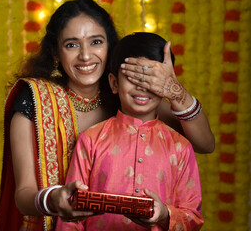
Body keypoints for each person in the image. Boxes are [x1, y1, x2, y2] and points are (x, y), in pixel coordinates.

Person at [0, 0, 213, 231]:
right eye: (71, 45)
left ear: (110, 47)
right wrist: (54, 199)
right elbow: (24, 195)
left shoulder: (130, 96)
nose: (86, 56)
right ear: (56, 53)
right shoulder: (36, 100)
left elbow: (205, 143)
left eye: (96, 42)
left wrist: (174, 90)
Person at [56, 32, 204, 231]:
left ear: (166, 85)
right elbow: (70, 215)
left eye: (151, 80)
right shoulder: (91, 140)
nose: (142, 87)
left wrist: (164, 215)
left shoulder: (181, 147)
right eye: (132, 78)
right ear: (114, 83)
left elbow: (193, 217)